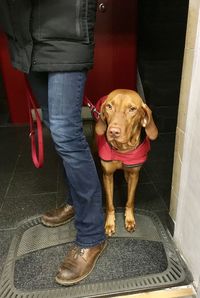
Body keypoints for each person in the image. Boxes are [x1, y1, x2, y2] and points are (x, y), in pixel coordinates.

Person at [0, 0, 106, 286]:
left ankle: (92, 235)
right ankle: (75, 201)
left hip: (64, 33)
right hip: (26, 38)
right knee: (54, 125)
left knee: (66, 133)